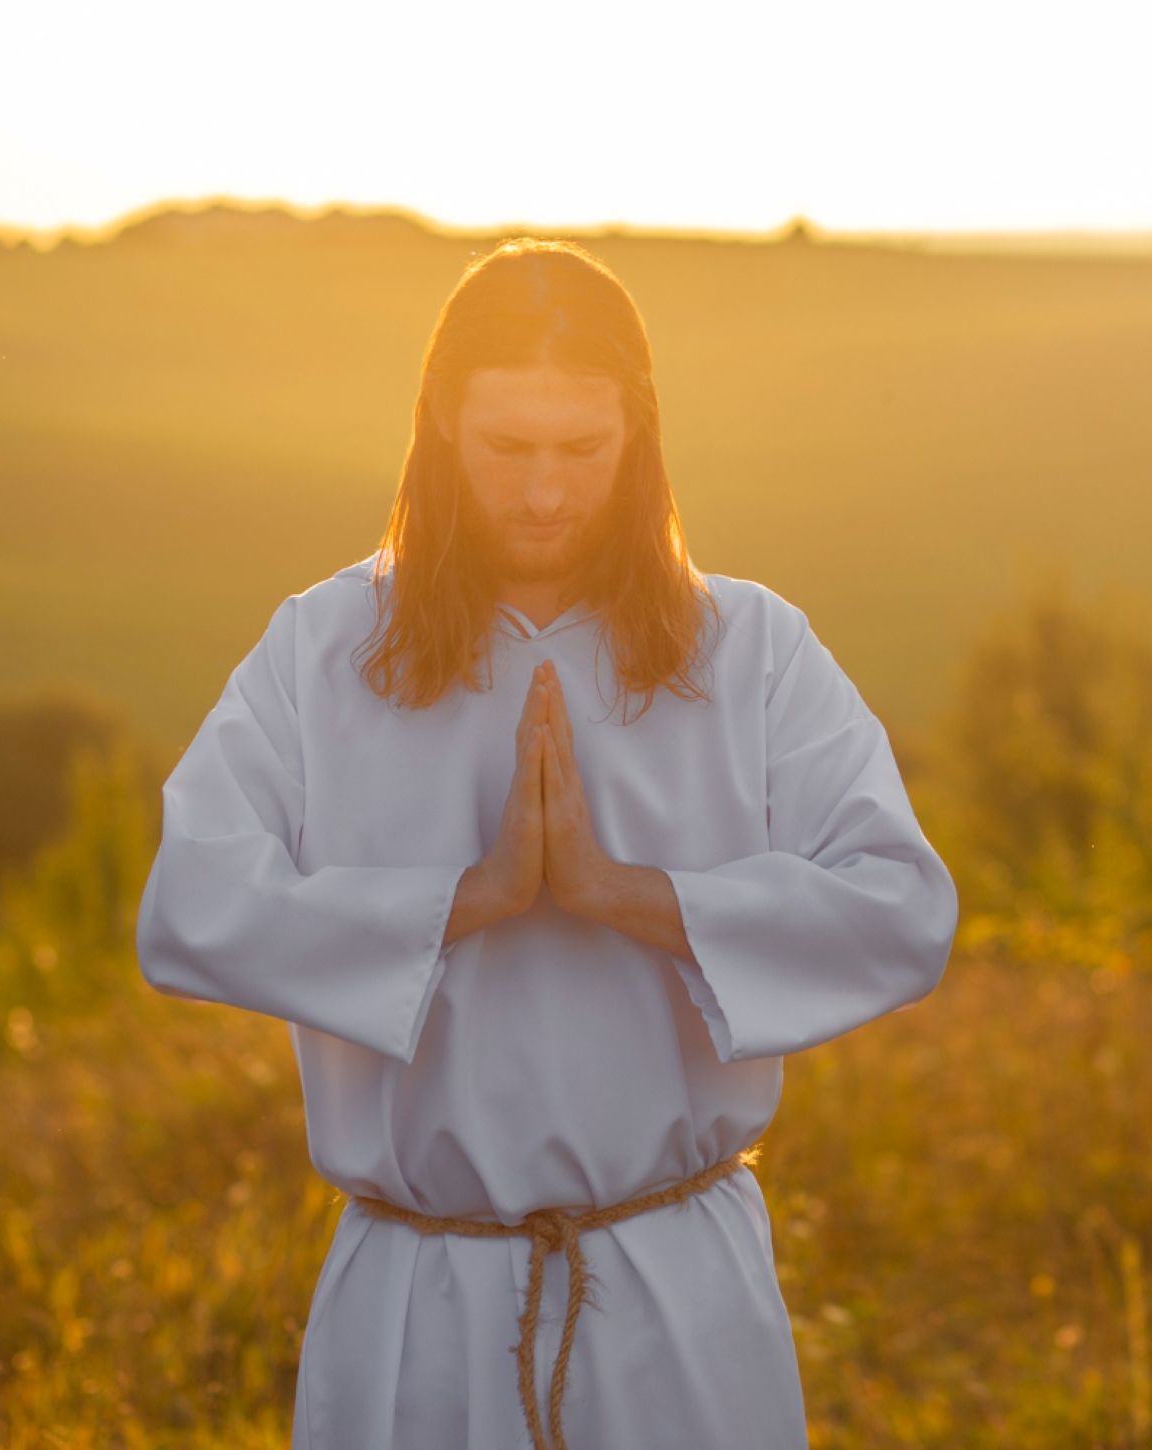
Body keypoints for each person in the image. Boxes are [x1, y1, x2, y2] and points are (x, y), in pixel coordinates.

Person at [133, 238, 958, 1450]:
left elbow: (904, 907)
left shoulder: (750, 650)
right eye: (506, 448)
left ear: (641, 438)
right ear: (438, 431)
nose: (543, 492)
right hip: (416, 1309)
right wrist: (463, 899)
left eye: (583, 449)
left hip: (677, 1300)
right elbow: (188, 903)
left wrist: (627, 895)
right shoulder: (323, 649)